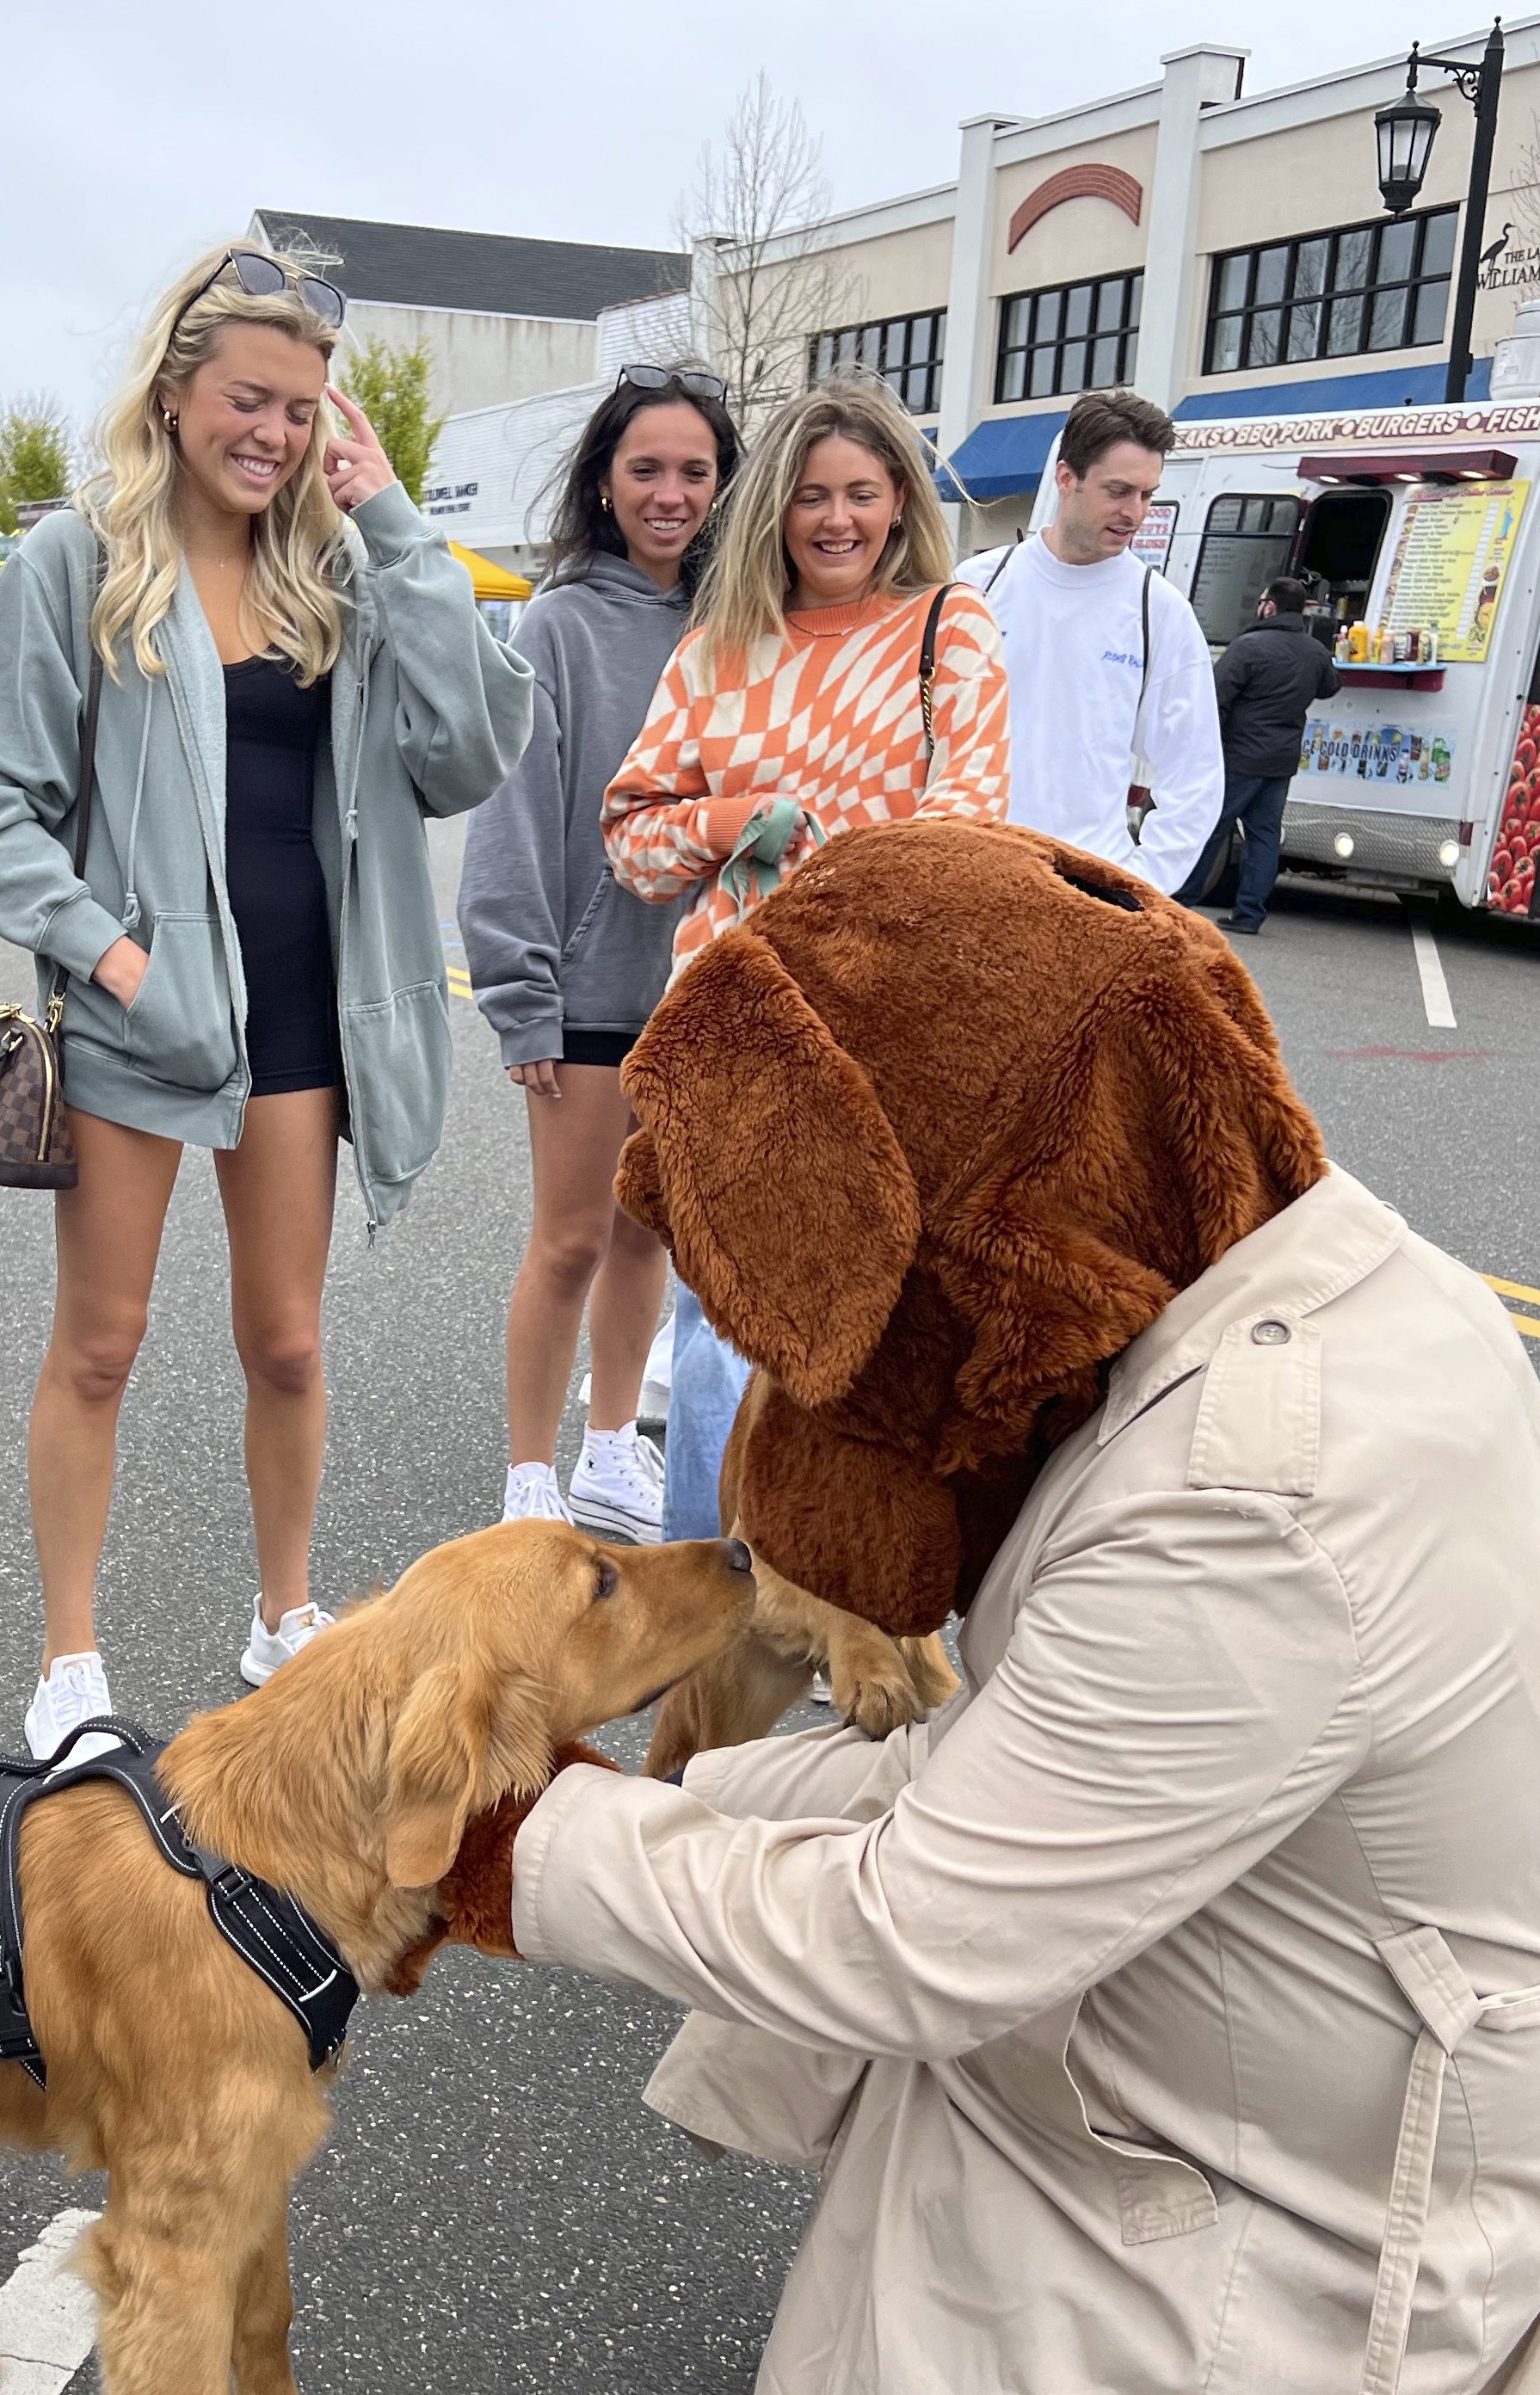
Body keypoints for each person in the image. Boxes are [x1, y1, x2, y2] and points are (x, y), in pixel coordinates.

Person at [460, 822, 1540, 2395]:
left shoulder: (1251, 1496)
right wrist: (648, 1813)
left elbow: (912, 1934)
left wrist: (506, 1849)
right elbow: (1003, 1783)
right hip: (1239, 2042)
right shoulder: (1311, 1284)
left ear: (967, 1211)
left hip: (1244, 2204)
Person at [0, 241, 533, 1750]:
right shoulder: (80, 561)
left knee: (286, 1341)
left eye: (301, 409)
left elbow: (466, 752)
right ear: (176, 393)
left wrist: (390, 514)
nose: (271, 433)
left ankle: (284, 1614)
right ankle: (70, 1656)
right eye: (245, 399)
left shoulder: (335, 568)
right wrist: (110, 951)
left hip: (302, 1021)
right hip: (143, 1022)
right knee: (101, 1342)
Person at [601, 372, 1011, 1547]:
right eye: (813, 496)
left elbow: (967, 827)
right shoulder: (721, 647)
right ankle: (709, 1633)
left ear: (900, 504)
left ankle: (855, 1614)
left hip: (892, 1035)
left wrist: (829, 867)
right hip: (730, 1028)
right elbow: (632, 842)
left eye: (864, 495)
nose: (838, 521)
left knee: (880, 1350)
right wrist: (733, 824)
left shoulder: (949, 629)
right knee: (722, 1340)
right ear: (776, 507)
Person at [459, 366, 738, 1544]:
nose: (670, 494)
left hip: (702, 986)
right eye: (646, 470)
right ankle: (531, 1476)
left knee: (647, 1234)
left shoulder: (741, 622)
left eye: (693, 471)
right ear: (604, 482)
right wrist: (522, 990)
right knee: (570, 1236)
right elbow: (515, 812)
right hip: (583, 983)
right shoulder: (560, 619)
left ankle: (613, 1447)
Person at [955, 388, 1221, 893]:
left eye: (1147, 494)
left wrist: (1140, 884)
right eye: (1118, 491)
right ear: (1066, 478)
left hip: (1085, 889)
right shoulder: (979, 584)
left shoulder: (1158, 611)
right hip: (973, 875)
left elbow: (1196, 774)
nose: (1136, 513)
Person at [1210, 571, 1344, 933]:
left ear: (1270, 607)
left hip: (1239, 757)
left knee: (1213, 828)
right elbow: (1330, 687)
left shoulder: (1247, 647)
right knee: (1265, 836)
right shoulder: (1315, 651)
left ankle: (1181, 903)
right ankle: (1250, 915)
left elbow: (1216, 699)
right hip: (1281, 761)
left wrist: (1211, 745)